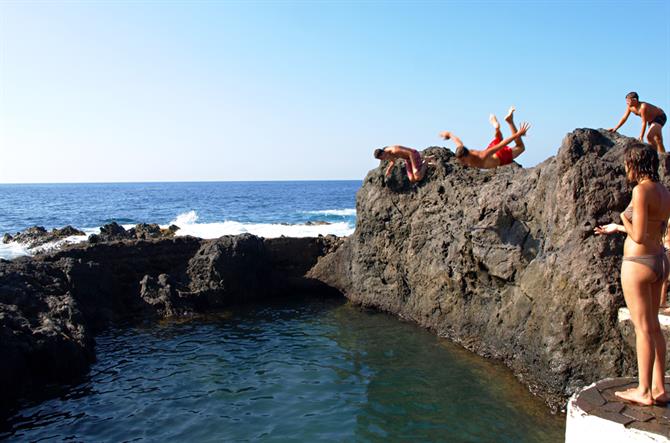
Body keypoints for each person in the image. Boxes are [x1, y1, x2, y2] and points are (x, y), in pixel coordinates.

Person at [595, 143, 670, 406]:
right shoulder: (663, 190)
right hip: (660, 260)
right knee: (654, 327)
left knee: (642, 330)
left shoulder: (641, 191)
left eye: (628, 163)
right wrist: (617, 226)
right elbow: (654, 229)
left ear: (635, 164)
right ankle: (660, 388)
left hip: (638, 262)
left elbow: (637, 234)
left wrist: (621, 219)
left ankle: (643, 391)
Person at [440, 106, 531, 169]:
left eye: (463, 160)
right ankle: (497, 127)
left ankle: (510, 122)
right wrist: (449, 134)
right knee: (499, 138)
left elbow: (502, 144)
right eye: (460, 160)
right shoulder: (462, 150)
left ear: (467, 155)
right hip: (492, 149)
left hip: (500, 157)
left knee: (521, 147)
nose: (462, 163)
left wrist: (518, 134)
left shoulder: (482, 156)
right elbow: (458, 142)